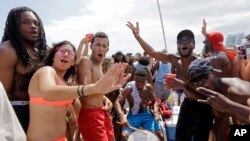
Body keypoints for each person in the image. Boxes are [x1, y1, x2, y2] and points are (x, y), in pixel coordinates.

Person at [27, 40, 131, 141]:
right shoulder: (46, 71)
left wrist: (102, 96)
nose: (66, 54)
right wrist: (93, 88)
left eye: (70, 53)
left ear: (73, 62)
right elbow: (48, 93)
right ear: (53, 56)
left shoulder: (65, 83)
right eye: (62, 51)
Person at [127, 21, 213, 141]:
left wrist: (183, 86)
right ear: (177, 45)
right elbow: (153, 53)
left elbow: (205, 97)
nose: (184, 43)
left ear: (193, 45)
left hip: (203, 108)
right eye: (181, 41)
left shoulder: (200, 65)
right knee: (180, 137)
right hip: (188, 103)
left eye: (188, 41)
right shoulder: (174, 59)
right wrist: (137, 36)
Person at [0, 6, 48, 132]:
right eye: (25, 22)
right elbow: (3, 95)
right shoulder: (7, 50)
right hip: (17, 114)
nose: (33, 26)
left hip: (43, 112)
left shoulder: (44, 52)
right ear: (15, 26)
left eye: (36, 23)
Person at [77, 31, 120, 141]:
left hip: (102, 111)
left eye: (104, 46)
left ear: (107, 50)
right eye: (97, 45)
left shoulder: (99, 66)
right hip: (90, 114)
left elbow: (96, 88)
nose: (101, 49)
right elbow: (84, 92)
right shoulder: (86, 61)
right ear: (91, 46)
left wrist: (105, 98)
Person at [114, 68, 164, 141]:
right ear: (134, 78)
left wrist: (156, 112)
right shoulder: (129, 88)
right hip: (133, 115)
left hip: (146, 114)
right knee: (124, 137)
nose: (140, 84)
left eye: (142, 81)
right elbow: (117, 102)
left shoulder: (148, 87)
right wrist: (122, 117)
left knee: (160, 136)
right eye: (137, 81)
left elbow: (155, 101)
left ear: (146, 79)